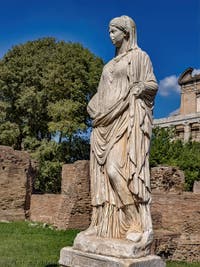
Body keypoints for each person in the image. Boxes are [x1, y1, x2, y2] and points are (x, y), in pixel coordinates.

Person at [86, 15, 158, 244]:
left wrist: (141, 88)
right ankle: (99, 224)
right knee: (100, 178)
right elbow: (102, 91)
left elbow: (152, 84)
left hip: (125, 119)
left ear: (125, 32)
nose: (110, 36)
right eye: (108, 32)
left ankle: (134, 220)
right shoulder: (108, 65)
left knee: (115, 170)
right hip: (103, 123)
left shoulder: (139, 57)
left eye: (113, 31)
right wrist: (93, 104)